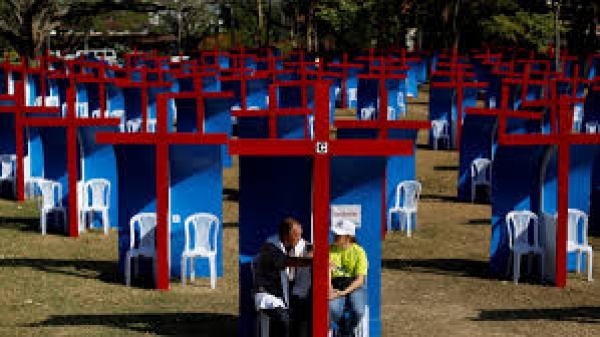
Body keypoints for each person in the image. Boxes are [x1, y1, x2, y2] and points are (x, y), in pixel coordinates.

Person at [254, 217, 313, 337]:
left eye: (300, 234)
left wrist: (314, 252)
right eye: (296, 235)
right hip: (268, 294)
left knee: (304, 312)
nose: (300, 238)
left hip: (289, 295)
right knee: (284, 320)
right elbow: (288, 261)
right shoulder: (270, 247)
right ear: (286, 235)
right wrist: (313, 261)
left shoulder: (297, 243)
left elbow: (309, 247)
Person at [328, 219, 368, 337]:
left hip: (354, 285)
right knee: (332, 310)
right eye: (334, 234)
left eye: (338, 235)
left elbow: (360, 280)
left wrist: (343, 292)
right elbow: (327, 273)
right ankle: (345, 329)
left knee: (359, 311)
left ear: (349, 237)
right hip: (335, 284)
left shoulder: (359, 252)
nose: (335, 236)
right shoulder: (329, 249)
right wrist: (330, 289)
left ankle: (346, 331)